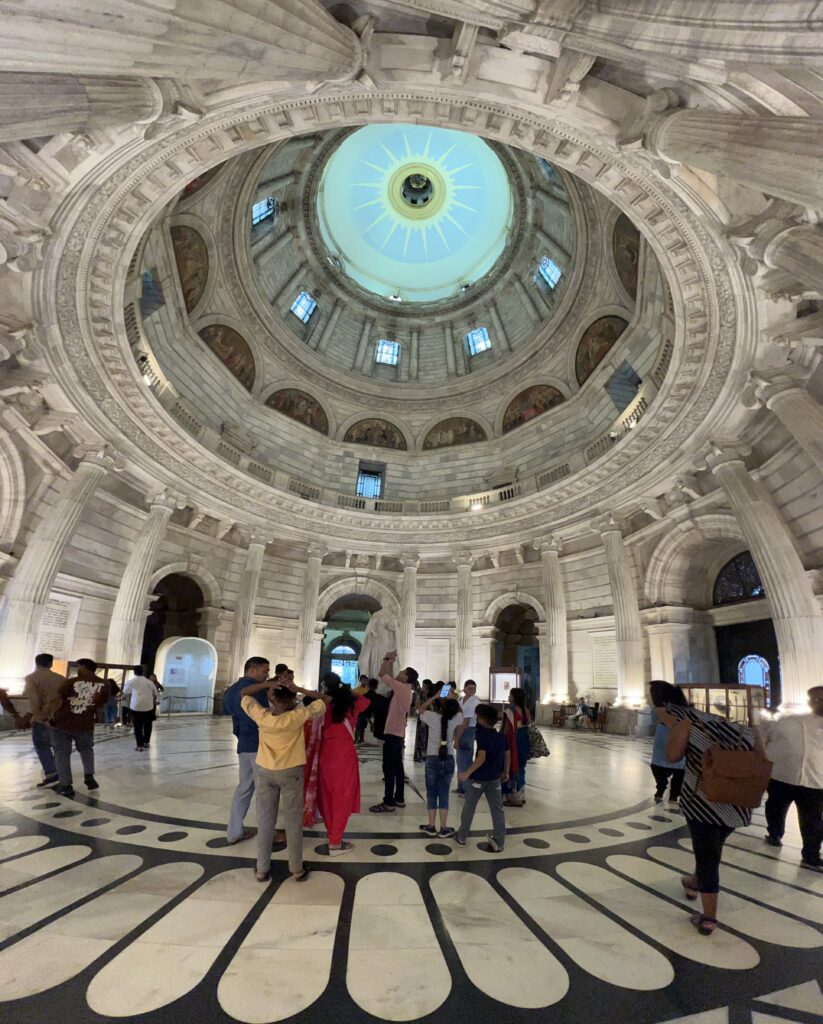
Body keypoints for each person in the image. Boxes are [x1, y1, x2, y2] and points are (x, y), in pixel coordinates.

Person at [665, 700, 764, 935]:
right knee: (711, 847)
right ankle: (694, 881)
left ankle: (709, 917)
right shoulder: (748, 727)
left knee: (708, 856)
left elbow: (672, 756)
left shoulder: (690, 724)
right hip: (737, 799)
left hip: (702, 800)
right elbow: (762, 759)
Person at [240, 677, 326, 882]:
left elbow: (244, 694)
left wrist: (267, 685)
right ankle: (296, 868)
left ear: (272, 698)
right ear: (293, 700)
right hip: (291, 772)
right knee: (293, 821)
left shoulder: (262, 716)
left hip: (265, 771)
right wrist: (299, 689)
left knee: (265, 821)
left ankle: (262, 868)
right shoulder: (297, 716)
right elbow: (323, 700)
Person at [762, 686, 823, 872]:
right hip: (782, 776)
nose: (819, 703)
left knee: (812, 820)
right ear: (810, 702)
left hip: (814, 780)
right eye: (816, 699)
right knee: (776, 808)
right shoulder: (789, 721)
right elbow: (765, 739)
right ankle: (774, 834)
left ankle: (811, 856)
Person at [318, 673, 370, 854]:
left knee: (327, 795)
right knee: (343, 796)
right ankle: (335, 841)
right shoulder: (352, 704)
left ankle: (331, 832)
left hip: (326, 753)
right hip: (345, 754)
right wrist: (349, 693)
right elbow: (366, 700)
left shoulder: (322, 704)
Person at [222, 656, 272, 845]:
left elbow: (230, 712)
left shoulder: (231, 690)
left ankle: (234, 832)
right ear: (253, 669)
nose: (267, 675)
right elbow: (264, 718)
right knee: (264, 792)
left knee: (244, 788)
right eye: (264, 671)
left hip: (244, 744)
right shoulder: (255, 690)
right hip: (259, 745)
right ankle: (267, 834)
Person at [48, 658, 108, 797]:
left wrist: (50, 715)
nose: (78, 669)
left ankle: (65, 785)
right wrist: (98, 719)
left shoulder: (71, 682)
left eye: (79, 666)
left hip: (63, 722)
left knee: (62, 753)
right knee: (87, 750)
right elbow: (100, 705)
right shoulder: (104, 684)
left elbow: (57, 700)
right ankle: (89, 776)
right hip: (85, 723)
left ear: (85, 667)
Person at [455, 703, 510, 852]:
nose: (477, 719)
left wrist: (466, 773)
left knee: (469, 807)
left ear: (483, 721)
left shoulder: (482, 735)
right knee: (497, 810)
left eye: (478, 717)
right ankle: (500, 841)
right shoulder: (501, 736)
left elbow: (481, 758)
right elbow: (507, 754)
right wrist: (506, 771)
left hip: (478, 779)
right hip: (495, 779)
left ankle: (462, 836)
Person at [370, 650, 416, 813]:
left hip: (393, 734)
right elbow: (389, 676)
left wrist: (386, 658)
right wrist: (390, 661)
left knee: (389, 768)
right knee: (397, 768)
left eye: (402, 672)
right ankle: (399, 798)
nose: (399, 672)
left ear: (406, 678)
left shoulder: (402, 688)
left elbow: (382, 674)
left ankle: (388, 802)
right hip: (397, 734)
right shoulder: (405, 688)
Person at [418, 692, 463, 837]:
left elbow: (420, 709)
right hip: (448, 759)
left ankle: (431, 826)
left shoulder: (432, 717)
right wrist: (453, 698)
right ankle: (443, 828)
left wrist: (435, 696)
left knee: (431, 793)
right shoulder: (456, 718)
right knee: (444, 793)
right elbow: (461, 712)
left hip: (432, 759)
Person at [22, 652, 64, 787]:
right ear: (51, 664)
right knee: (58, 746)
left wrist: (34, 716)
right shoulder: (61, 679)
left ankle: (52, 773)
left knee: (42, 746)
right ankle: (62, 772)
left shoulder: (31, 678)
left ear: (36, 663)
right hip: (58, 717)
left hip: (42, 718)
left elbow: (33, 699)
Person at [648, 680, 687, 809]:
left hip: (677, 735)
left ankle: (674, 794)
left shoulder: (676, 707)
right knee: (657, 765)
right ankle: (661, 787)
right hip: (664, 735)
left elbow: (674, 721)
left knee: (679, 768)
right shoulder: (659, 708)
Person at [502, 686, 530, 807]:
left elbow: (506, 729)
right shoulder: (526, 711)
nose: (509, 697)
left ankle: (512, 797)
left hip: (512, 741)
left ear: (514, 698)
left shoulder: (510, 710)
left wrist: (500, 739)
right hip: (524, 741)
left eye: (510, 695)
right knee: (521, 768)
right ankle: (521, 795)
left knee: (511, 767)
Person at [123, 666, 159, 751]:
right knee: (148, 725)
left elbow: (125, 691)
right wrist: (157, 700)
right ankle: (146, 742)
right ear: (143, 672)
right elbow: (156, 692)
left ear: (134, 672)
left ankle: (139, 745)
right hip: (148, 707)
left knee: (137, 726)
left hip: (136, 707)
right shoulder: (149, 682)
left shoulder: (131, 681)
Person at [456, 679, 480, 795]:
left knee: (465, 760)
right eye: (470, 688)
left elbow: (466, 722)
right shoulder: (460, 700)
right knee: (460, 761)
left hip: (468, 730)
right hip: (460, 729)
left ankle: (467, 789)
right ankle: (460, 787)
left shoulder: (474, 702)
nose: (472, 690)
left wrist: (456, 740)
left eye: (474, 689)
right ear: (464, 688)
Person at [413, 679, 435, 762]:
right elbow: (417, 706)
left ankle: (426, 754)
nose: (423, 687)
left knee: (427, 737)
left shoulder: (431, 696)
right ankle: (419, 755)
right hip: (422, 718)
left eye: (424, 685)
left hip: (429, 719)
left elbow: (432, 708)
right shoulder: (420, 695)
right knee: (420, 736)